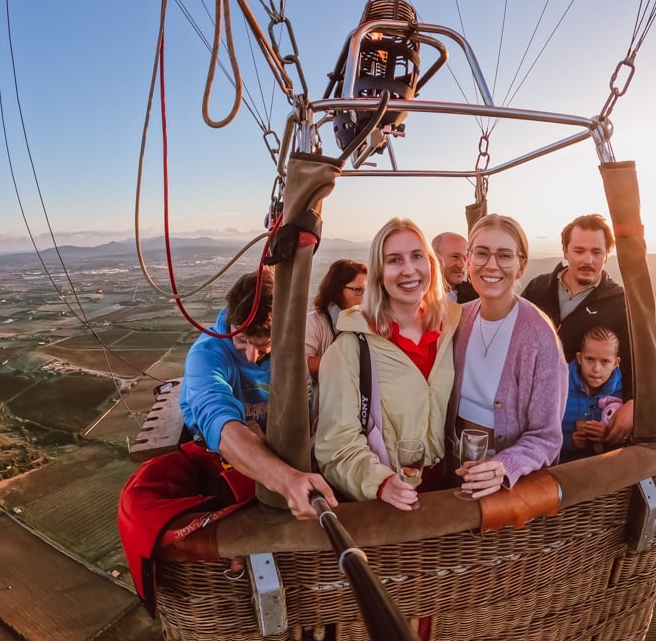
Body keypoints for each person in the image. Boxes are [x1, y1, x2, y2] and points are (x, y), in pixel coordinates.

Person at [315, 218, 461, 511]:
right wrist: (380, 483)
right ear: (379, 274)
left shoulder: (452, 329)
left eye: (417, 256)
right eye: (395, 260)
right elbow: (336, 448)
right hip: (386, 504)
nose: (409, 269)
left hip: (445, 494)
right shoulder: (350, 349)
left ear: (431, 264)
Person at [179, 269, 337, 520]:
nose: (251, 355)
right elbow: (219, 420)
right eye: (242, 339)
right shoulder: (207, 355)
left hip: (283, 454)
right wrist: (287, 480)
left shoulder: (289, 348)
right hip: (225, 461)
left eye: (263, 345)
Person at [447, 214, 566, 498]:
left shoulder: (540, 337)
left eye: (504, 255)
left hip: (505, 486)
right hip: (452, 473)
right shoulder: (458, 319)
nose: (491, 265)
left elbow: (547, 438)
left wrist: (504, 465)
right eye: (482, 253)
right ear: (469, 259)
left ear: (521, 264)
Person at [521, 213, 634, 446]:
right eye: (579, 251)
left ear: (607, 255)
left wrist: (633, 403)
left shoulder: (618, 302)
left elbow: (635, 360)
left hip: (579, 417)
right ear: (565, 251)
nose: (588, 260)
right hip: (529, 409)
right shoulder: (538, 288)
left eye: (596, 252)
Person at [560, 326, 624, 462]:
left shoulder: (621, 391)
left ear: (616, 363)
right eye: (589, 359)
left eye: (605, 361)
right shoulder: (559, 384)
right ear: (579, 358)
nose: (596, 369)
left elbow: (624, 440)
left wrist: (607, 436)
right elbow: (541, 434)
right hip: (561, 465)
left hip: (601, 466)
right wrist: (569, 443)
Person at [305, 259, 368, 382]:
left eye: (366, 291)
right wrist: (346, 356)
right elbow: (302, 367)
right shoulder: (313, 322)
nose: (364, 297)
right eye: (358, 290)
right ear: (337, 289)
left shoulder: (367, 323)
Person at [432, 231, 478, 303]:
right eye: (455, 257)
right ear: (435, 257)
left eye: (465, 258)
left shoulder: (477, 299)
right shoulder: (416, 296)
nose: (462, 265)